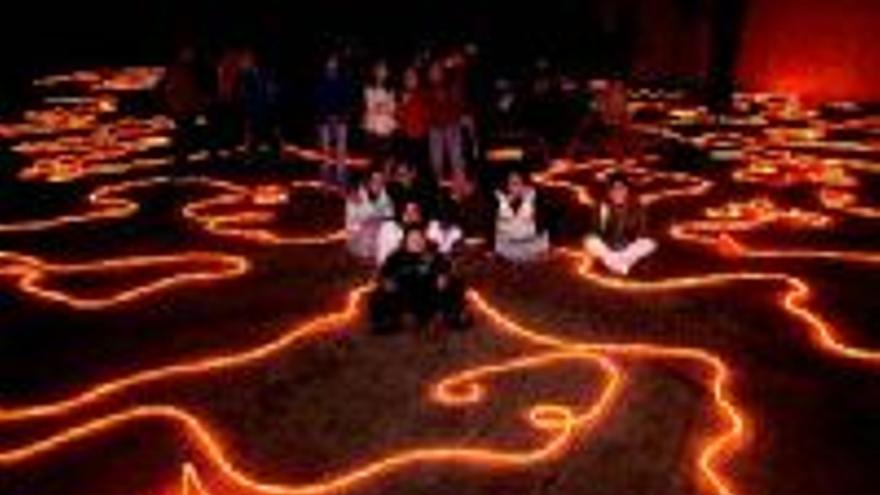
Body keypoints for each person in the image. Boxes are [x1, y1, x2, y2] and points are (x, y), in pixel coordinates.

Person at [369, 227, 470, 333]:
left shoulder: (434, 255)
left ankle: (450, 317)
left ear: (424, 240)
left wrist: (444, 276)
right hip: (404, 297)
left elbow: (445, 268)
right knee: (378, 293)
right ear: (405, 241)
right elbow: (384, 273)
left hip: (430, 297)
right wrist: (387, 281)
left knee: (456, 284)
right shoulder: (395, 257)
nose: (416, 242)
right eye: (412, 239)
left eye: (419, 239)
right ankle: (391, 321)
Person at [585, 173, 657, 276]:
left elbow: (642, 231)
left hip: (628, 247)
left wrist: (632, 242)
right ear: (609, 192)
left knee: (650, 243)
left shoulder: (637, 207)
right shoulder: (602, 207)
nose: (618, 192)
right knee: (589, 241)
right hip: (608, 246)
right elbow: (596, 231)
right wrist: (603, 218)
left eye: (621, 188)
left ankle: (614, 263)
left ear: (627, 190)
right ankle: (622, 265)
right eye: (614, 189)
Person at [162, 45, 209, 165]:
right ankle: (180, 159)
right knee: (183, 134)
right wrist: (176, 106)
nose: (192, 55)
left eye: (192, 53)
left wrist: (199, 104)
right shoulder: (177, 70)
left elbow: (192, 90)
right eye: (189, 53)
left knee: (187, 133)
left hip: (189, 108)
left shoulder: (189, 69)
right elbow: (170, 90)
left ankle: (182, 158)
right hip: (182, 109)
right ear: (182, 54)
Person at [315, 55, 356, 185]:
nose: (332, 65)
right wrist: (326, 116)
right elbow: (318, 99)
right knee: (326, 148)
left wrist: (342, 115)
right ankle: (326, 172)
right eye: (329, 62)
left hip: (341, 119)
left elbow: (347, 98)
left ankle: (340, 173)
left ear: (338, 64)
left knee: (341, 147)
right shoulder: (321, 80)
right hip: (324, 119)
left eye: (334, 62)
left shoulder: (343, 79)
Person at [494, 170, 550, 262]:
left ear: (524, 185)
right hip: (508, 253)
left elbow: (542, 231)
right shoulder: (500, 203)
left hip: (531, 253)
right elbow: (499, 235)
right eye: (511, 184)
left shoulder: (536, 203)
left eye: (517, 183)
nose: (513, 187)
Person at [424, 61, 465, 181]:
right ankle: (438, 182)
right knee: (436, 159)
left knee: (456, 158)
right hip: (435, 127)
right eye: (432, 71)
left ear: (442, 72)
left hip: (451, 124)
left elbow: (457, 99)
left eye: (437, 69)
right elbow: (427, 110)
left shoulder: (450, 85)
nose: (434, 73)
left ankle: (459, 182)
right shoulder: (426, 89)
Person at [240, 50, 281, 160]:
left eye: (246, 60)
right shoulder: (244, 77)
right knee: (253, 137)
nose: (244, 63)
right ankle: (251, 157)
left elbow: (271, 89)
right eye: (244, 61)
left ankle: (275, 155)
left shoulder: (265, 72)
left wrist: (272, 95)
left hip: (266, 110)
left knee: (271, 135)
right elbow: (244, 95)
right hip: (253, 112)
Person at [345, 169, 394, 260]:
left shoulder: (386, 197)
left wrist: (379, 221)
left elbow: (390, 216)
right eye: (374, 180)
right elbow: (350, 226)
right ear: (368, 182)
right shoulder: (355, 195)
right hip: (358, 239)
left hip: (378, 236)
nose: (378, 184)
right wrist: (364, 223)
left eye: (381, 181)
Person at [396, 67, 430, 181]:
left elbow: (426, 115)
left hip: (420, 137)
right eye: (407, 77)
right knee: (406, 167)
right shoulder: (401, 94)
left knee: (419, 168)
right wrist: (404, 105)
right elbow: (398, 116)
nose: (409, 80)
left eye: (412, 77)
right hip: (406, 136)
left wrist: (422, 129)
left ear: (417, 79)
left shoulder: (423, 93)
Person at [362, 60, 397, 161]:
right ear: (374, 71)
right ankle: (373, 175)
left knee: (386, 155)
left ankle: (384, 174)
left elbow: (392, 107)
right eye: (378, 69)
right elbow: (370, 105)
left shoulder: (391, 89)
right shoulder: (368, 87)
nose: (381, 72)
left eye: (383, 70)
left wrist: (382, 107)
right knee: (372, 155)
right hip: (372, 125)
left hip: (387, 126)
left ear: (387, 73)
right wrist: (381, 106)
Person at [376, 200, 426, 265]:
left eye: (414, 211)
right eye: (405, 211)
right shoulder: (388, 228)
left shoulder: (426, 231)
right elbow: (382, 258)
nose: (409, 215)